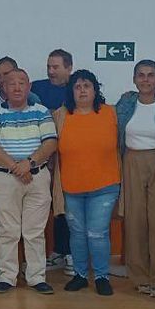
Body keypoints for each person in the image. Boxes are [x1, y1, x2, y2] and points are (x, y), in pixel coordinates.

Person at [0, 68, 58, 295]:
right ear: (4, 88)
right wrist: (16, 167)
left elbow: (50, 143)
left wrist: (29, 163)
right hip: (5, 178)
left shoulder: (41, 111)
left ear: (29, 86)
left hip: (37, 176)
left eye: (21, 83)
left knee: (34, 231)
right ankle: (7, 276)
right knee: (8, 230)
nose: (16, 87)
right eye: (11, 83)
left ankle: (36, 277)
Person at [53, 70, 121, 295]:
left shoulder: (111, 113)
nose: (82, 91)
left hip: (105, 186)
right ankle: (80, 275)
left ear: (95, 89)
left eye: (87, 86)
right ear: (71, 92)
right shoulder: (61, 115)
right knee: (78, 233)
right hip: (71, 186)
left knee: (97, 232)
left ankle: (101, 277)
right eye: (77, 87)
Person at [116, 60, 155, 298]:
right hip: (131, 161)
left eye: (151, 75)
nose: (145, 79)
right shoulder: (125, 103)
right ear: (134, 79)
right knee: (135, 221)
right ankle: (140, 277)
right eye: (140, 75)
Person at [32, 49, 73, 272]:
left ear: (69, 68)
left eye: (55, 67)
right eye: (49, 66)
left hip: (69, 159)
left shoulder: (77, 88)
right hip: (39, 158)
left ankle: (69, 253)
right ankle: (55, 253)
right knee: (44, 206)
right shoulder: (37, 88)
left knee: (67, 206)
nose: (50, 71)